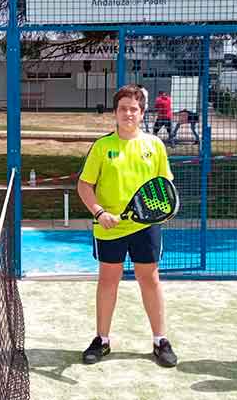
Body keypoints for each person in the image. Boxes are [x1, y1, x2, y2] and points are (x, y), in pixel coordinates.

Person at [77, 84, 177, 368]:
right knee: (108, 281)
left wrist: (161, 212)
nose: (128, 113)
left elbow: (164, 185)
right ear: (115, 112)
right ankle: (102, 340)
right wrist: (99, 212)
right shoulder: (102, 146)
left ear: (143, 113)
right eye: (123, 109)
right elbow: (84, 185)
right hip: (109, 227)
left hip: (146, 227)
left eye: (134, 109)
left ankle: (160, 340)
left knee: (150, 280)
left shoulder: (155, 146)